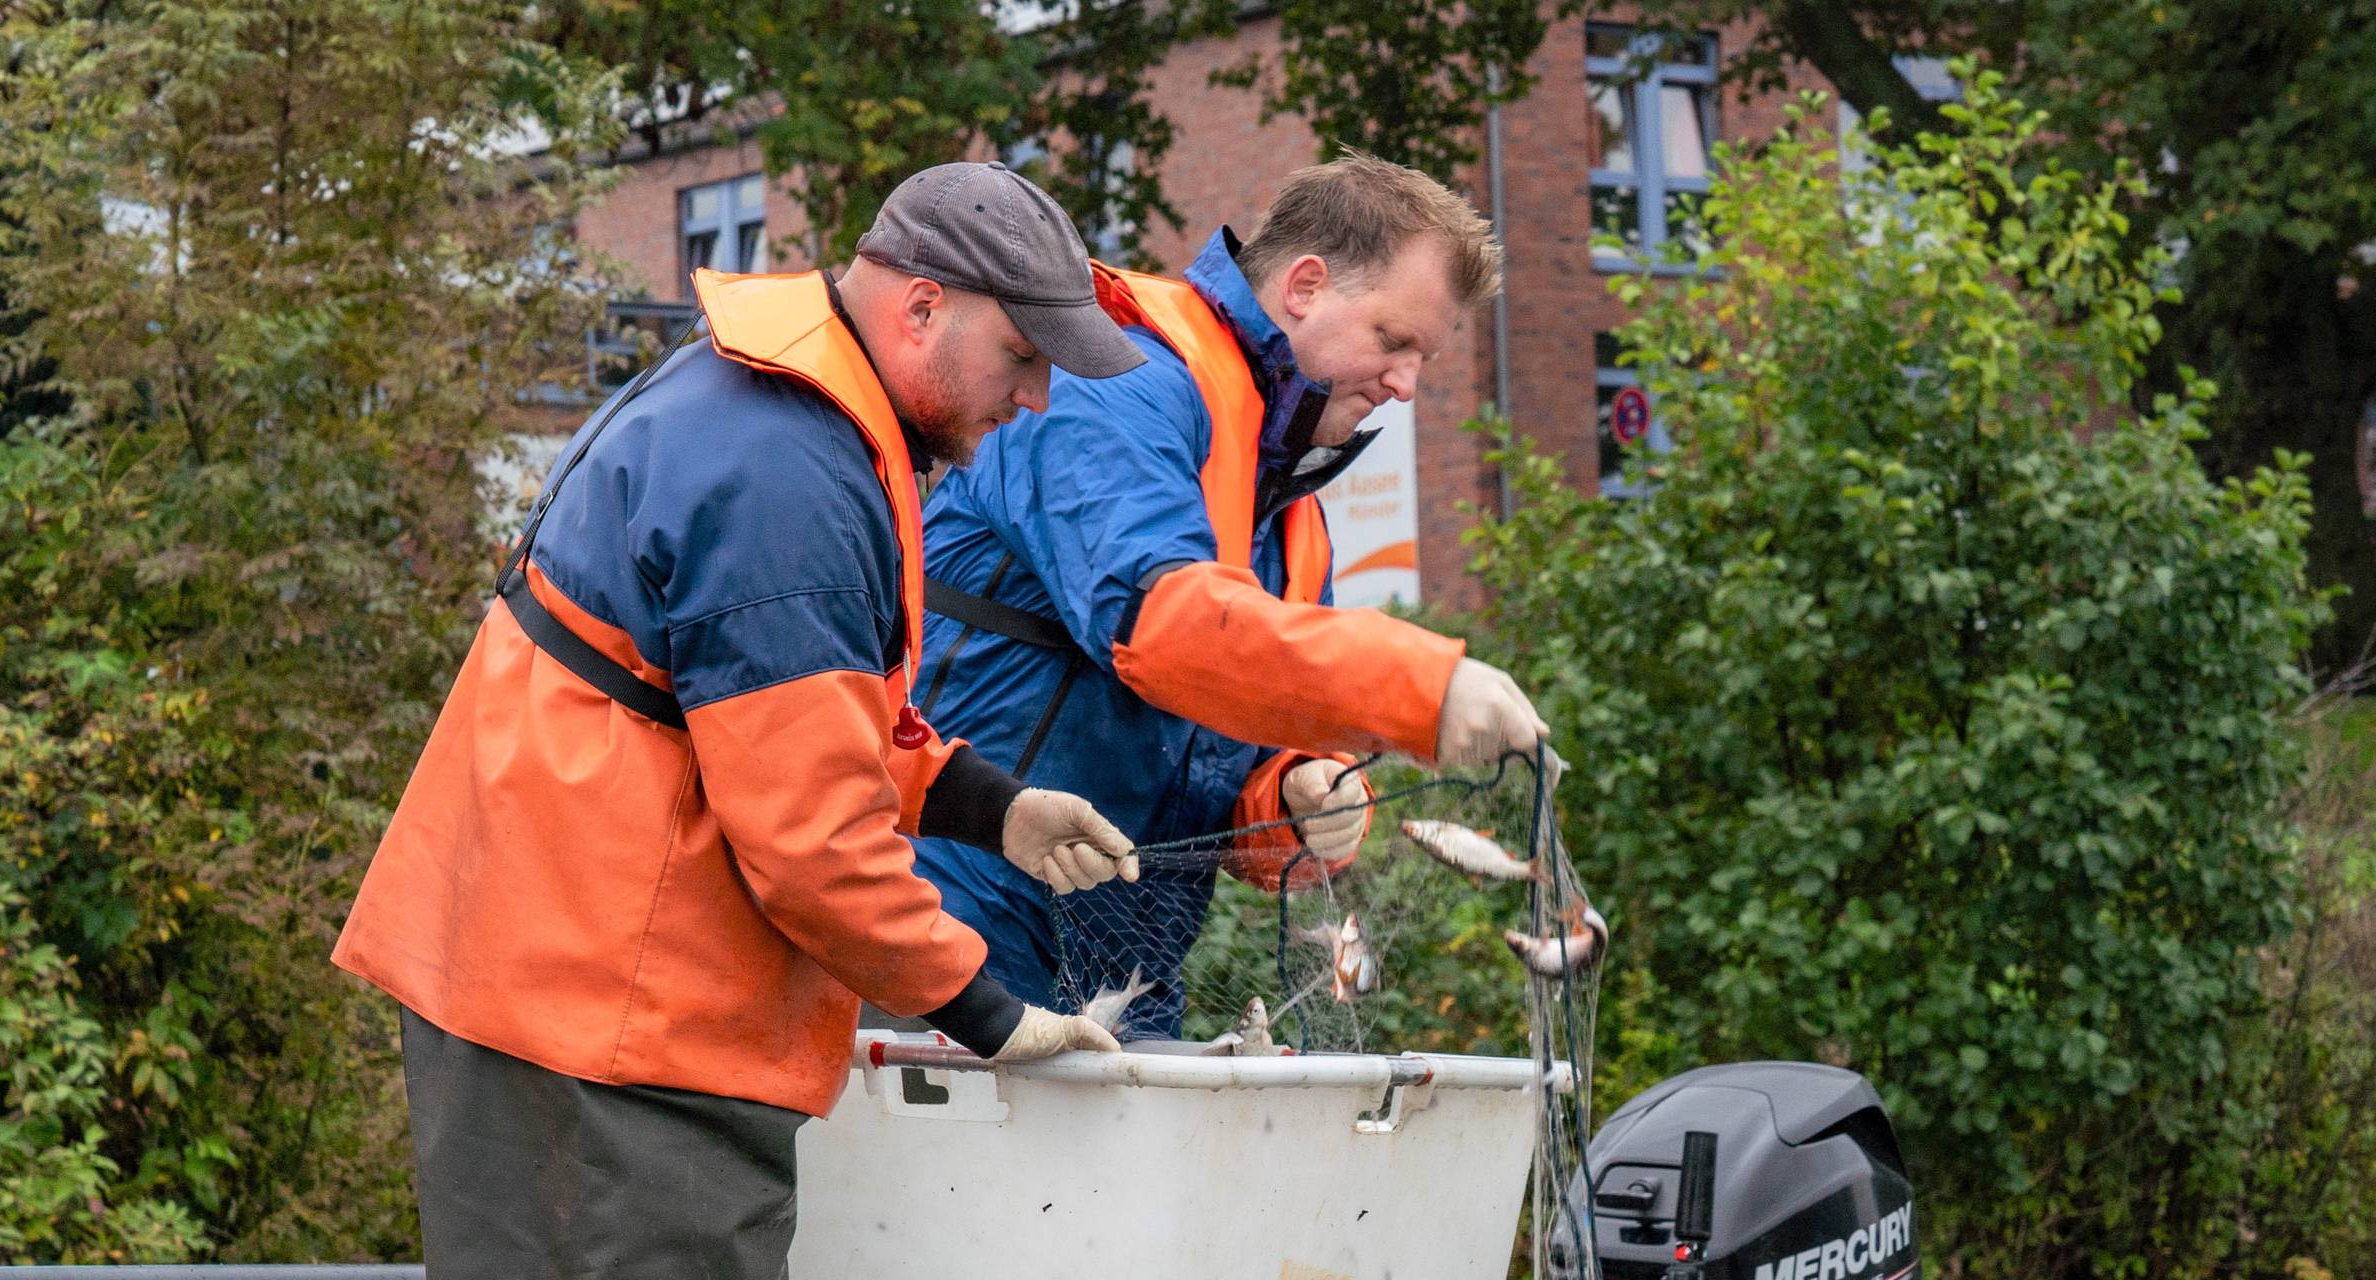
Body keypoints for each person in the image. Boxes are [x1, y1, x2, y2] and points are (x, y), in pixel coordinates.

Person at [332, 161, 1147, 1279]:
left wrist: (986, 805)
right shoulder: (790, 474)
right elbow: (812, 844)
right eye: (1024, 355)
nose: (1039, 395)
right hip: (606, 1032)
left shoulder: (772, 411)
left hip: (553, 984)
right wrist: (990, 1010)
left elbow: (759, 718)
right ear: (923, 306)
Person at [903, 151, 1549, 1041]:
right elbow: (1163, 630)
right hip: (950, 933)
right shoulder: (1117, 385)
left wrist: (1296, 800)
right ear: (1306, 286)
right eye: (1396, 342)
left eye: (1422, 359)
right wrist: (1420, 690)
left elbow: (1239, 772)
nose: (1406, 385)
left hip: (1126, 972)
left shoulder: (1289, 510)